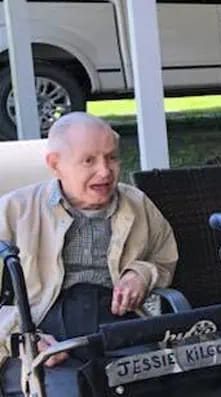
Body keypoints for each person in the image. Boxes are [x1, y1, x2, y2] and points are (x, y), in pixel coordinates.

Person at [0, 112, 178, 396]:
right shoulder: (12, 212)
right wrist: (19, 339)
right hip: (43, 327)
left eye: (111, 158)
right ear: (55, 165)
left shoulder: (136, 204)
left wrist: (140, 274)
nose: (105, 171)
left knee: (152, 379)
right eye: (89, 161)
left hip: (118, 325)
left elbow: (163, 257)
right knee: (69, 388)